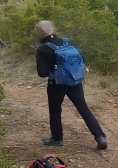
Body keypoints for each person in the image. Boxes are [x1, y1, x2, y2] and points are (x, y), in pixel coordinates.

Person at [34, 20, 107, 150]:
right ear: (54, 29)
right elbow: (82, 59)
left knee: (55, 110)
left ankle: (57, 139)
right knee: (83, 109)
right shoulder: (69, 42)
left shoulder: (43, 49)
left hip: (56, 84)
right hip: (75, 81)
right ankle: (100, 136)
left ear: (39, 33)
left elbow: (42, 73)